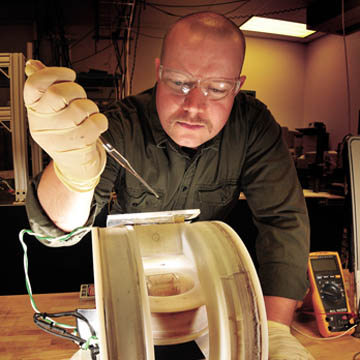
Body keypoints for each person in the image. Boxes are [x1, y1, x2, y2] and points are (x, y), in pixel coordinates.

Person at [24, 11, 314, 359]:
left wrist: (274, 330)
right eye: (179, 82)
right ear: (159, 71)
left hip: (213, 308)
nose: (194, 106)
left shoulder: (252, 126)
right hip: (127, 305)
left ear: (237, 85)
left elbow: (283, 221)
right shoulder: (118, 126)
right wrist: (73, 172)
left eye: (217, 89)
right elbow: (60, 234)